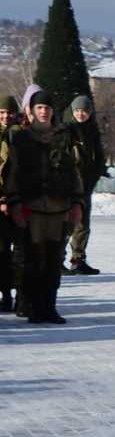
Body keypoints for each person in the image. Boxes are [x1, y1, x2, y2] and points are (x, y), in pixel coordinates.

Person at [0, 90, 83, 324]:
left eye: (47, 108)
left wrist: (77, 202)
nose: (44, 112)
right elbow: (12, 174)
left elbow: (74, 171)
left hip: (58, 208)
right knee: (33, 260)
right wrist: (13, 203)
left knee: (54, 259)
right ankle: (33, 306)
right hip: (32, 208)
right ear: (31, 111)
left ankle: (49, 306)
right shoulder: (21, 139)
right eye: (39, 108)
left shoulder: (64, 137)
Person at [63, 95, 106, 276]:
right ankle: (57, 259)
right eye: (78, 111)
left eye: (85, 111)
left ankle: (78, 259)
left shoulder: (92, 132)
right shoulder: (66, 131)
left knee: (83, 225)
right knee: (66, 225)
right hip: (68, 187)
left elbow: (98, 158)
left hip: (86, 185)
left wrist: (95, 175)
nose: (81, 114)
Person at [0, 96, 20, 312]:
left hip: (19, 200)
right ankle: (5, 293)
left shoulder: (20, 135)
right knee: (2, 251)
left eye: (9, 113)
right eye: (1, 113)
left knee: (19, 252)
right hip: (2, 202)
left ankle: (15, 294)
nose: (6, 116)